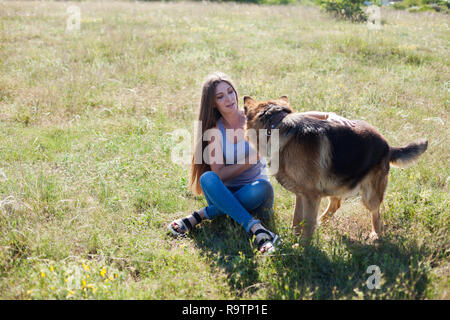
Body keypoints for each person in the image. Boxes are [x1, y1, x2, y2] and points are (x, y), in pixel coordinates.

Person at [168, 72, 355, 254]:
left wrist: (327, 115)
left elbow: (290, 117)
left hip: (255, 194)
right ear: (213, 103)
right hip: (224, 193)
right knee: (208, 178)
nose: (229, 99)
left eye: (230, 92)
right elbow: (220, 176)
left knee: (264, 187)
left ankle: (204, 214)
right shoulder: (215, 130)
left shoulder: (255, 116)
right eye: (220, 96)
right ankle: (257, 229)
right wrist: (251, 159)